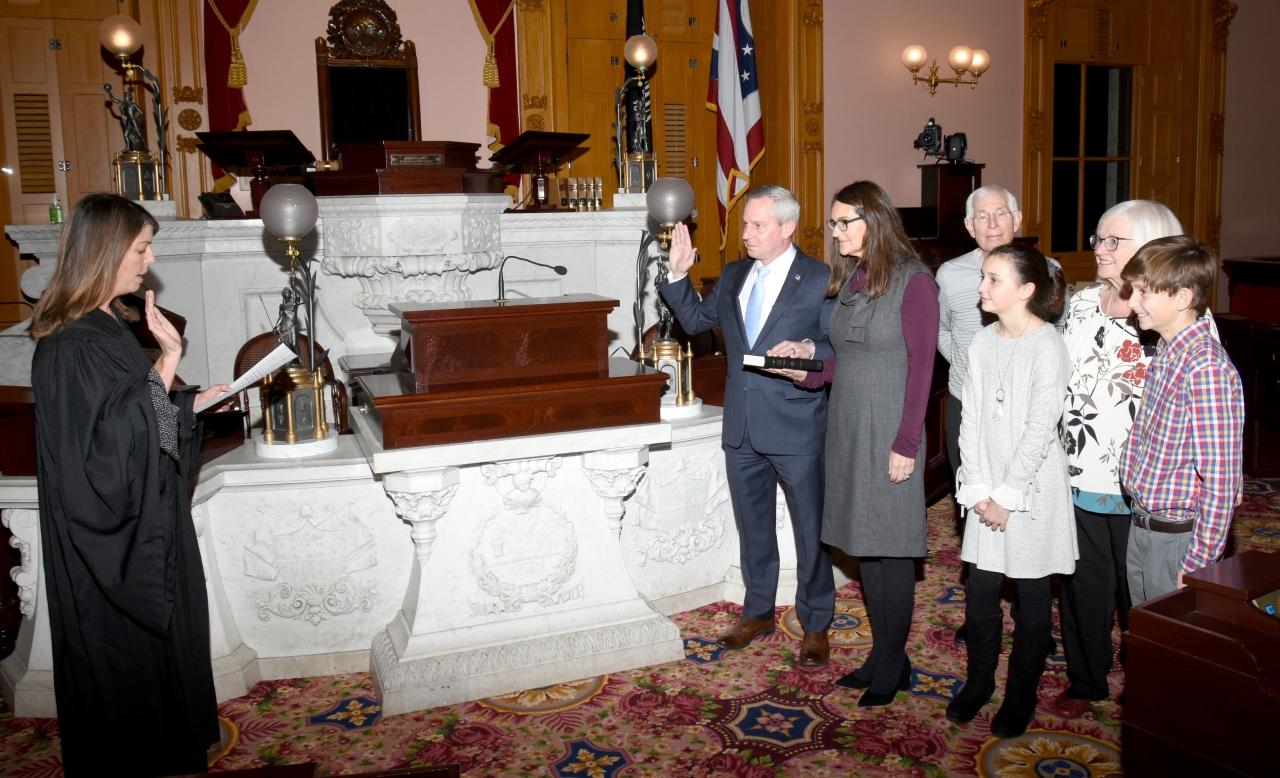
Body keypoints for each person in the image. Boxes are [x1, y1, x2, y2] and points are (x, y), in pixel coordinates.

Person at [29, 193, 231, 776]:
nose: (148, 260)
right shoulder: (72, 345)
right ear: (106, 251)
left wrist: (187, 404)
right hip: (109, 548)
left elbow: (128, 423)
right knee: (123, 667)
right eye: (140, 247)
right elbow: (106, 456)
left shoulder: (103, 328)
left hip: (139, 524)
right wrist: (168, 363)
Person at [771, 180, 939, 707]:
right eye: (835, 221)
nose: (835, 231)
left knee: (892, 550)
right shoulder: (854, 279)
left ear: (875, 221)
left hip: (891, 426)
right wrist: (808, 371)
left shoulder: (914, 282)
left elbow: (922, 368)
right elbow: (847, 357)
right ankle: (882, 654)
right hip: (848, 425)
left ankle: (893, 661)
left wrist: (907, 442)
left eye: (845, 222)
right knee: (866, 546)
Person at [659, 185, 836, 666]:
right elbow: (695, 322)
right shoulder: (735, 275)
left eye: (758, 225)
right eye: (745, 225)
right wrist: (678, 275)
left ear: (787, 227)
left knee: (810, 531)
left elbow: (835, 346)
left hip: (798, 423)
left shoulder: (820, 276)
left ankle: (816, 621)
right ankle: (757, 611)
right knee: (753, 527)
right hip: (742, 428)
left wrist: (809, 355)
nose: (747, 234)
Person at [1056, 199, 1207, 709]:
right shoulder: (1078, 302)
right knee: (1082, 587)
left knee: (1140, 593)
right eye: (1098, 237)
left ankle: (1147, 683)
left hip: (1143, 488)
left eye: (1112, 241)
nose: (1099, 248)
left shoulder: (1169, 318)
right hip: (1076, 475)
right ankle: (1086, 678)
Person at [946, 242, 1076, 738]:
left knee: (1033, 595)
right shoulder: (981, 342)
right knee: (979, 593)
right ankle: (977, 684)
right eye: (983, 277)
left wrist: (1006, 494)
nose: (981, 287)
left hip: (1032, 490)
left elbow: (1041, 429)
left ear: (1025, 290)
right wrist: (978, 487)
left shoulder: (1048, 346)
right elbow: (971, 420)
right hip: (985, 489)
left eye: (993, 279)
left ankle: (1020, 697)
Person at [935, 184, 1066, 646]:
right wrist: (972, 368)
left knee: (1024, 509)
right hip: (970, 401)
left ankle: (1033, 617)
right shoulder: (952, 274)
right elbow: (944, 331)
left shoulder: (1045, 271)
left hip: (1027, 411)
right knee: (974, 499)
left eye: (1000, 215)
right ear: (970, 227)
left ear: (1017, 219)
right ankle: (980, 613)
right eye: (981, 217)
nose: (992, 224)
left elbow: (1056, 337)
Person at [1120, 236, 1244, 603]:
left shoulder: (1204, 368)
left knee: (1173, 650)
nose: (1133, 301)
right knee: (1146, 637)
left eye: (1144, 292)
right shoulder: (1168, 351)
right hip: (1144, 524)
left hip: (1177, 539)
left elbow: (1220, 482)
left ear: (1183, 298)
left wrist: (1197, 565)